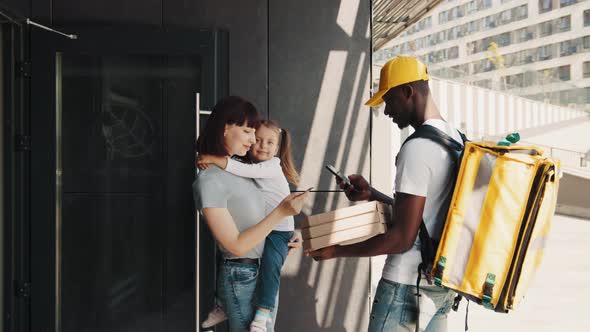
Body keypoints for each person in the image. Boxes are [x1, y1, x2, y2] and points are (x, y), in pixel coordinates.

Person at [306, 56, 463, 332]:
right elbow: (425, 217)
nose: (386, 110)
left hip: (404, 286)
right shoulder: (457, 139)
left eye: (388, 100)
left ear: (408, 92)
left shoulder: (417, 148)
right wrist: (372, 194)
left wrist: (335, 250)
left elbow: (402, 238)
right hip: (439, 286)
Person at [193, 96, 309, 332]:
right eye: (248, 131)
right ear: (226, 128)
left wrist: (286, 232)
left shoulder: (243, 168)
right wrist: (281, 214)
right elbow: (235, 245)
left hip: (261, 267)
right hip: (242, 274)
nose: (253, 140)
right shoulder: (210, 179)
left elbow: (260, 211)